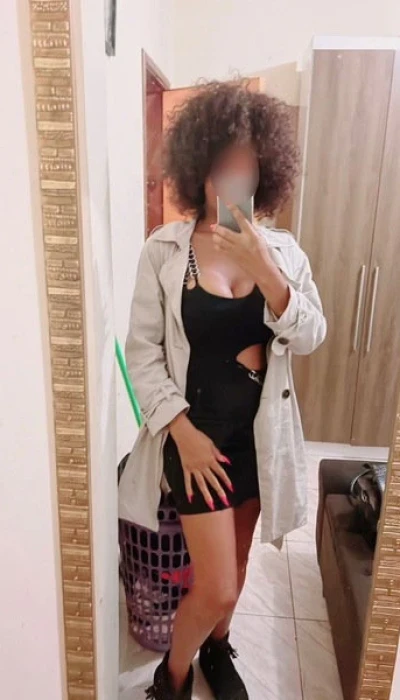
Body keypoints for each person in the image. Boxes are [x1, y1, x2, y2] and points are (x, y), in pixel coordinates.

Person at [119, 80, 327, 700]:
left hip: (257, 441)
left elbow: (312, 334)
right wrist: (180, 432)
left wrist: (267, 272)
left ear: (265, 169)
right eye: (223, 162)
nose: (235, 175)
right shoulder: (165, 251)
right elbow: (142, 353)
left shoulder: (283, 253)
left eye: (247, 164)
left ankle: (218, 648)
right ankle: (172, 678)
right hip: (195, 441)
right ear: (199, 166)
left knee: (236, 567)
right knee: (215, 587)